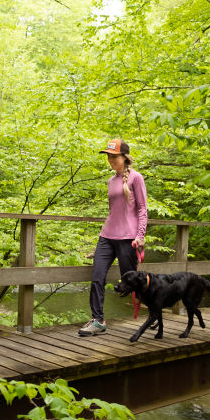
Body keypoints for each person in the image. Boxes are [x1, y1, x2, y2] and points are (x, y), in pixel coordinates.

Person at [79, 139, 148, 336]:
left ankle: (154, 311)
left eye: (114, 156)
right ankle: (98, 320)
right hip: (106, 236)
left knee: (132, 283)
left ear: (124, 157)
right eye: (108, 156)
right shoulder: (110, 181)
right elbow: (113, 211)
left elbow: (142, 209)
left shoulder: (136, 178)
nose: (110, 160)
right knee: (97, 277)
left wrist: (140, 235)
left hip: (128, 239)